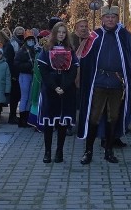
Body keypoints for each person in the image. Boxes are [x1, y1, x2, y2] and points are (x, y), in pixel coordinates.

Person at [76, 5, 131, 165]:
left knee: (113, 117)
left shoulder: (125, 36)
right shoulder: (94, 36)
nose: (110, 20)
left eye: (113, 17)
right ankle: (88, 151)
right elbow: (84, 58)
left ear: (117, 19)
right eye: (107, 17)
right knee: (94, 116)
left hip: (117, 84)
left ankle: (109, 150)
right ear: (102, 19)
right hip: (98, 83)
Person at [37, 22, 79, 163]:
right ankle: (47, 152)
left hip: (66, 89)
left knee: (62, 123)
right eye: (59, 32)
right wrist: (54, 87)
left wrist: (64, 86)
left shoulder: (70, 50)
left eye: (63, 32)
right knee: (49, 122)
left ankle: (59, 151)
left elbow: (73, 70)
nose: (61, 34)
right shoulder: (46, 49)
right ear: (54, 33)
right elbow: (44, 71)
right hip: (50, 89)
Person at [14, 29, 38, 128]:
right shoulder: (22, 51)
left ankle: (27, 118)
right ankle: (22, 119)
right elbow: (16, 64)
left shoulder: (34, 50)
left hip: (32, 74)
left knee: (30, 97)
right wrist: (28, 65)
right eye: (29, 40)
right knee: (24, 97)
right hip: (24, 75)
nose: (30, 41)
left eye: (32, 39)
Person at [4, 26, 25, 124]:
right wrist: (12, 74)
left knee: (22, 95)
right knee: (14, 96)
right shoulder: (12, 44)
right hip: (14, 73)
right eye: (18, 32)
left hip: (24, 72)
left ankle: (22, 114)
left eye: (22, 32)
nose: (20, 34)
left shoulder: (25, 43)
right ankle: (12, 115)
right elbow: (9, 60)